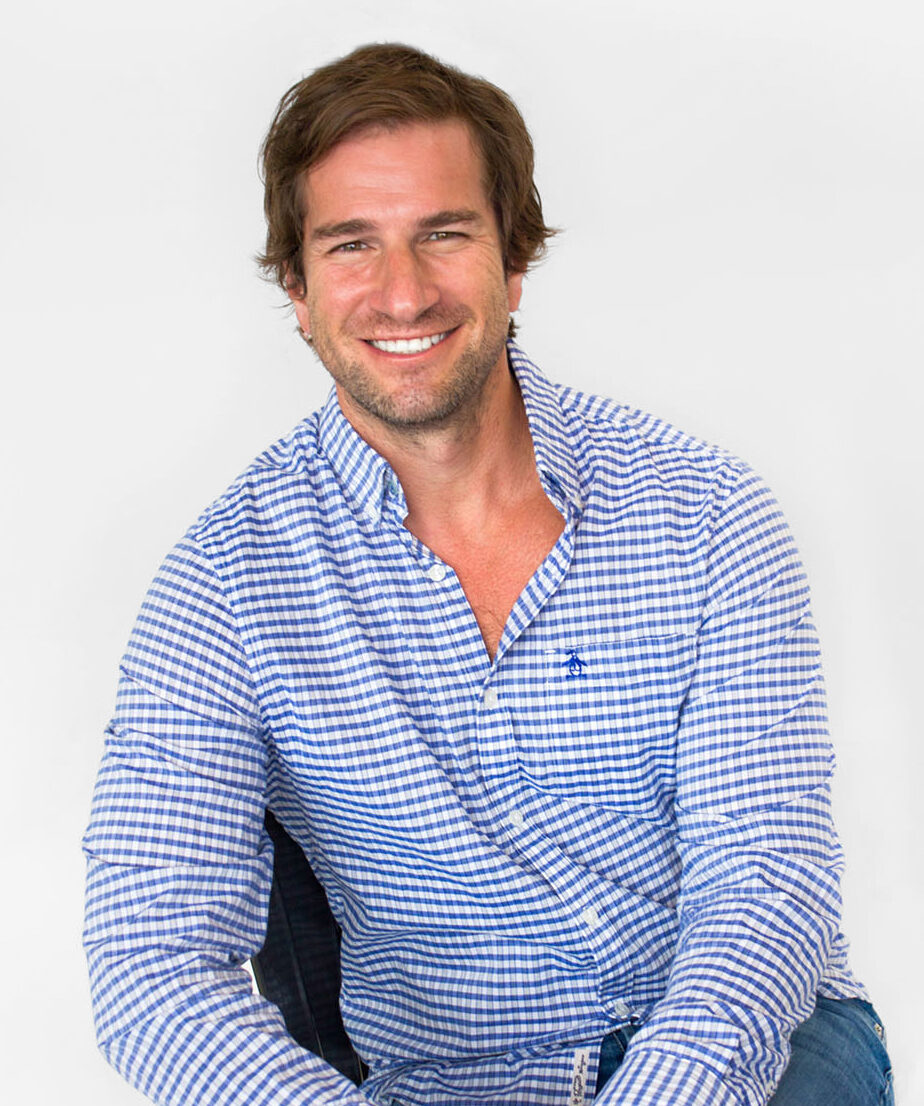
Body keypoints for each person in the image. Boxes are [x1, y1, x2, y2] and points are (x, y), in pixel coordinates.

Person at [83, 43, 893, 1106]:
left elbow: (767, 879)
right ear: (298, 286)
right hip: (445, 1079)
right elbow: (149, 966)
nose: (402, 290)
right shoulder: (224, 587)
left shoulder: (707, 514)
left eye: (444, 234)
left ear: (514, 259)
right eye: (351, 245)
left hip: (739, 1046)